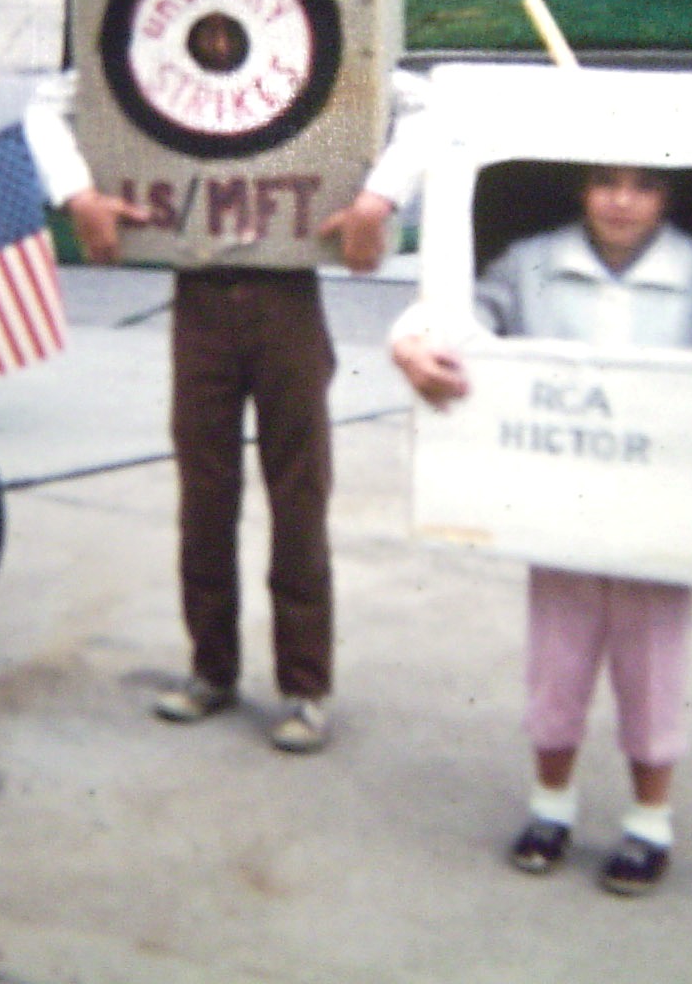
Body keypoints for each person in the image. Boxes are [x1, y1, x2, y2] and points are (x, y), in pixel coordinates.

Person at [389, 164, 692, 897]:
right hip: (558, 500)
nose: (623, 201)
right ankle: (550, 810)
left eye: (644, 186)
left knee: (653, 665)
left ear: (668, 197)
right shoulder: (531, 264)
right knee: (556, 662)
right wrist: (409, 345)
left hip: (662, 506)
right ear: (580, 189)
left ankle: (649, 822)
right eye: (605, 182)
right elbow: (443, 311)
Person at [23, 71, 427, 754]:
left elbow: (419, 102)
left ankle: (305, 683)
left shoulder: (299, 47)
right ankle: (210, 667)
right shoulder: (165, 42)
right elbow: (51, 101)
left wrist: (378, 198)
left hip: (285, 291)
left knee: (298, 493)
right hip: (199, 289)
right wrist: (76, 192)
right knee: (204, 492)